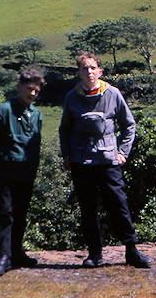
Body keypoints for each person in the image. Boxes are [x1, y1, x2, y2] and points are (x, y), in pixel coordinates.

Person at [59, 52, 151, 269]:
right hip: (82, 161)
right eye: (84, 68)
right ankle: (95, 254)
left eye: (93, 68)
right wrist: (66, 155)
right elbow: (64, 129)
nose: (89, 72)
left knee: (119, 205)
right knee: (88, 208)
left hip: (109, 159)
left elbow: (129, 125)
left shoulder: (112, 94)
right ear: (78, 73)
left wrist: (123, 152)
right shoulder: (71, 98)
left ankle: (131, 250)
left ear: (100, 71)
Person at [0, 69, 45, 277]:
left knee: (21, 214)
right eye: (29, 89)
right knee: (6, 213)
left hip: (27, 173)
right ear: (19, 87)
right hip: (7, 173)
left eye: (36, 90)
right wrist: (0, 164)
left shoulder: (36, 114)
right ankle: (3, 258)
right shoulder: (4, 110)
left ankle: (17, 254)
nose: (33, 94)